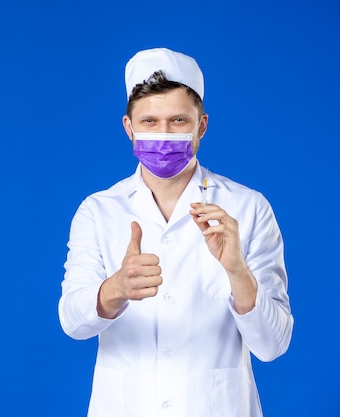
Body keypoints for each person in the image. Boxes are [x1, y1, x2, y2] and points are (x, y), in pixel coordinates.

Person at [58, 47, 293, 417]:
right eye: (150, 122)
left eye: (178, 121)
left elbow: (273, 344)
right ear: (128, 127)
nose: (163, 135)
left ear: (201, 126)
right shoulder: (98, 210)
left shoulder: (248, 207)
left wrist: (237, 271)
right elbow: (72, 322)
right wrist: (115, 289)